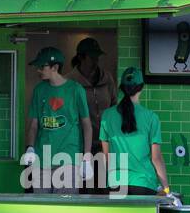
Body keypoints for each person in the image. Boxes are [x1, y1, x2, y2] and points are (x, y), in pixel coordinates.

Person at [23, 46, 91, 192]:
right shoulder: (39, 90)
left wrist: (87, 157)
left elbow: (87, 125)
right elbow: (34, 124)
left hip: (69, 159)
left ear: (55, 67)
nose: (38, 70)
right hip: (41, 159)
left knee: (65, 209)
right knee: (41, 210)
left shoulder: (76, 90)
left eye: (42, 66)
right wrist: (30, 147)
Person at [98, 67, 172, 197]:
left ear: (121, 88)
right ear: (141, 87)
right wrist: (166, 188)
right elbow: (156, 158)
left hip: (115, 183)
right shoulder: (151, 117)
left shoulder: (107, 116)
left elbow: (106, 157)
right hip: (143, 183)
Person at [68, 37, 118, 192]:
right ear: (81, 57)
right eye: (92, 56)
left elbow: (114, 106)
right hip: (81, 145)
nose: (96, 60)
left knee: (103, 188)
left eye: (97, 56)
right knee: (82, 187)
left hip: (104, 143)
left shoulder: (107, 78)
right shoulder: (70, 82)